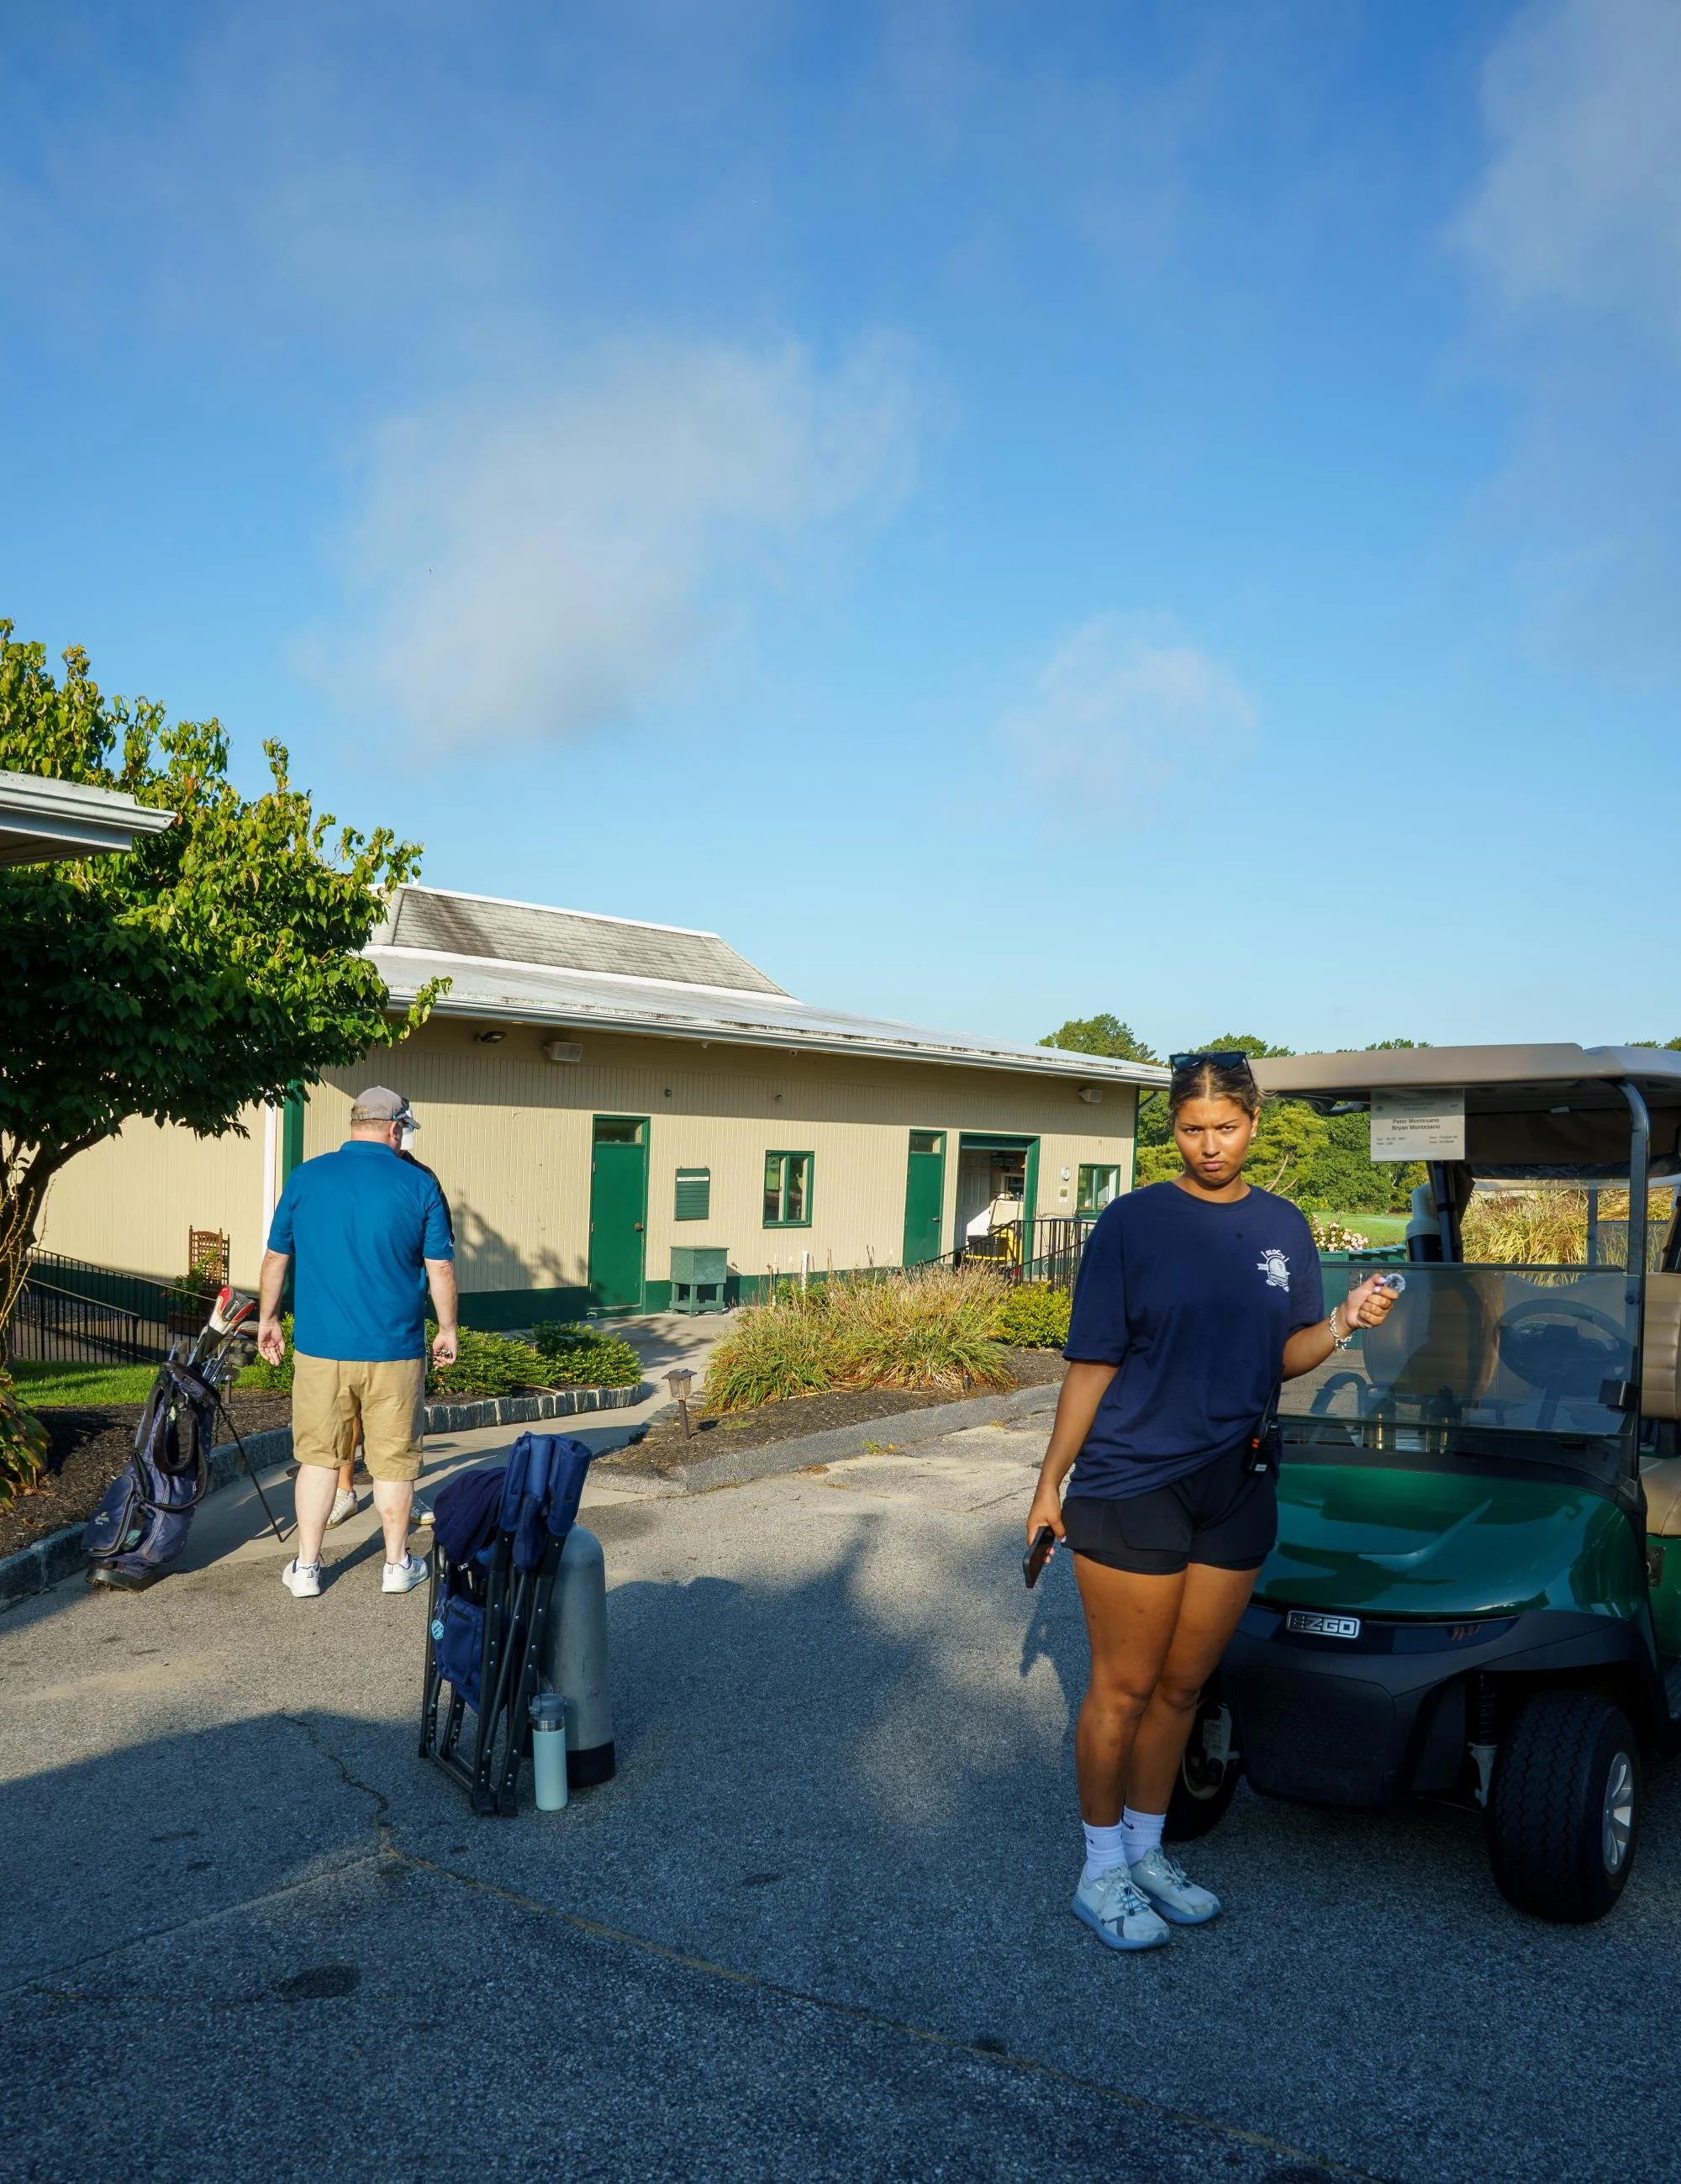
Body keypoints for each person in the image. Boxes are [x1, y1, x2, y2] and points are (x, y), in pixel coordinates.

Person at [1024, 1050, 1400, 1953]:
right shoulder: (1132, 1223)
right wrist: (1048, 1483)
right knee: (1123, 1688)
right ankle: (1099, 1871)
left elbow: (1286, 1353)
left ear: (1253, 1124)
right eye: (1191, 1129)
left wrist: (1343, 1322)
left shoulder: (1281, 1225)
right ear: (1173, 1131)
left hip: (1239, 1480)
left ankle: (1146, 1852)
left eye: (1225, 1128)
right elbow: (1092, 1362)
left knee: (1183, 1686)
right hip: (1133, 1480)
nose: (1209, 1145)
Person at [259, 1085, 458, 1600]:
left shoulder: (306, 1177)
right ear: (395, 1128)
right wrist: (447, 1329)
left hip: (321, 1350)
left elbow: (276, 1257)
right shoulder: (419, 1184)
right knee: (394, 1463)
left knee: (318, 1460)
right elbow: (439, 1267)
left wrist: (268, 1319)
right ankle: (396, 1565)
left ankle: (306, 1568)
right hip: (395, 1351)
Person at [325, 1135, 456, 1530]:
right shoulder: (349, 1172)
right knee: (348, 1411)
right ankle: (345, 1491)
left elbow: (440, 1249)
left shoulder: (421, 1178)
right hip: (346, 1313)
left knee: (402, 1415)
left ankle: (404, 1492)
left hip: (399, 1318)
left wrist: (445, 1323)